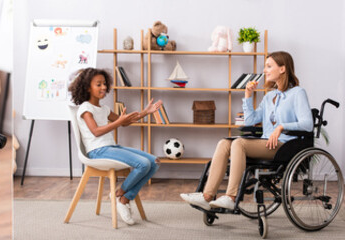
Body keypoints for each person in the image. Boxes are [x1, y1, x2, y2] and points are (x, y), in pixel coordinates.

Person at [180, 51, 313, 210]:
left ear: (283, 69)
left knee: (239, 143)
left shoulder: (298, 93)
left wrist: (281, 127)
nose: (265, 70)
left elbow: (307, 124)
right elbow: (250, 120)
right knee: (224, 143)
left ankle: (231, 197)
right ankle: (207, 196)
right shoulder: (269, 97)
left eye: (269, 66)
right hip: (266, 143)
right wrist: (248, 96)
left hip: (284, 146)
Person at [68, 67, 163, 225]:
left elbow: (124, 122)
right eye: (98, 84)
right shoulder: (85, 108)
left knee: (154, 162)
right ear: (87, 87)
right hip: (97, 151)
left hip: (111, 147)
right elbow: (96, 132)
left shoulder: (104, 109)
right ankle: (121, 195)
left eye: (104, 83)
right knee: (143, 164)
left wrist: (145, 112)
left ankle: (122, 196)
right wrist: (118, 122)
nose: (103, 87)